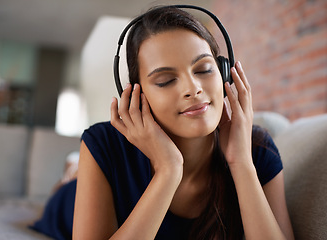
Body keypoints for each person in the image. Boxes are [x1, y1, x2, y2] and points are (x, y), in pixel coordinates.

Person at [73, 6, 294, 240]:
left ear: (224, 73)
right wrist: (168, 171)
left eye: (204, 69)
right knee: (69, 185)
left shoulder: (257, 149)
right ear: (139, 97)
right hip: (66, 209)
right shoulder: (103, 144)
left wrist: (241, 163)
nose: (193, 89)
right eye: (166, 80)